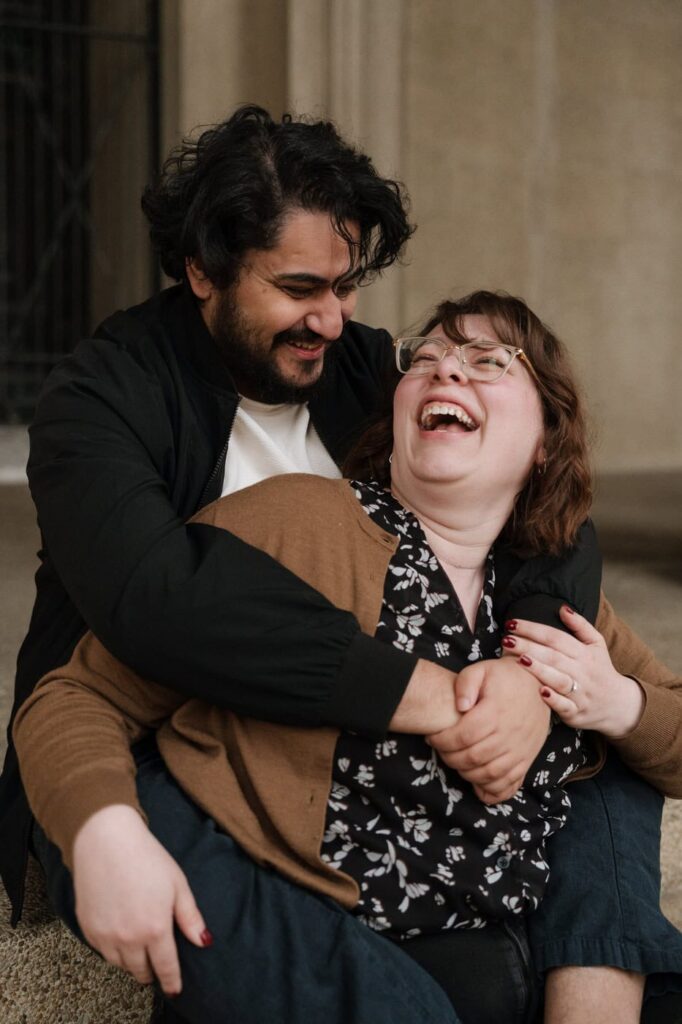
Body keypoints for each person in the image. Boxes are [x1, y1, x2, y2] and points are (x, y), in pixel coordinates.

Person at [13, 292, 682, 1024]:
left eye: (488, 362)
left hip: (529, 970)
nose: (445, 372)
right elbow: (77, 696)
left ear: (547, 437)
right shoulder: (295, 522)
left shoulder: (549, 594)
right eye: (424, 358)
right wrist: (101, 826)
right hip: (343, 973)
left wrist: (620, 704)